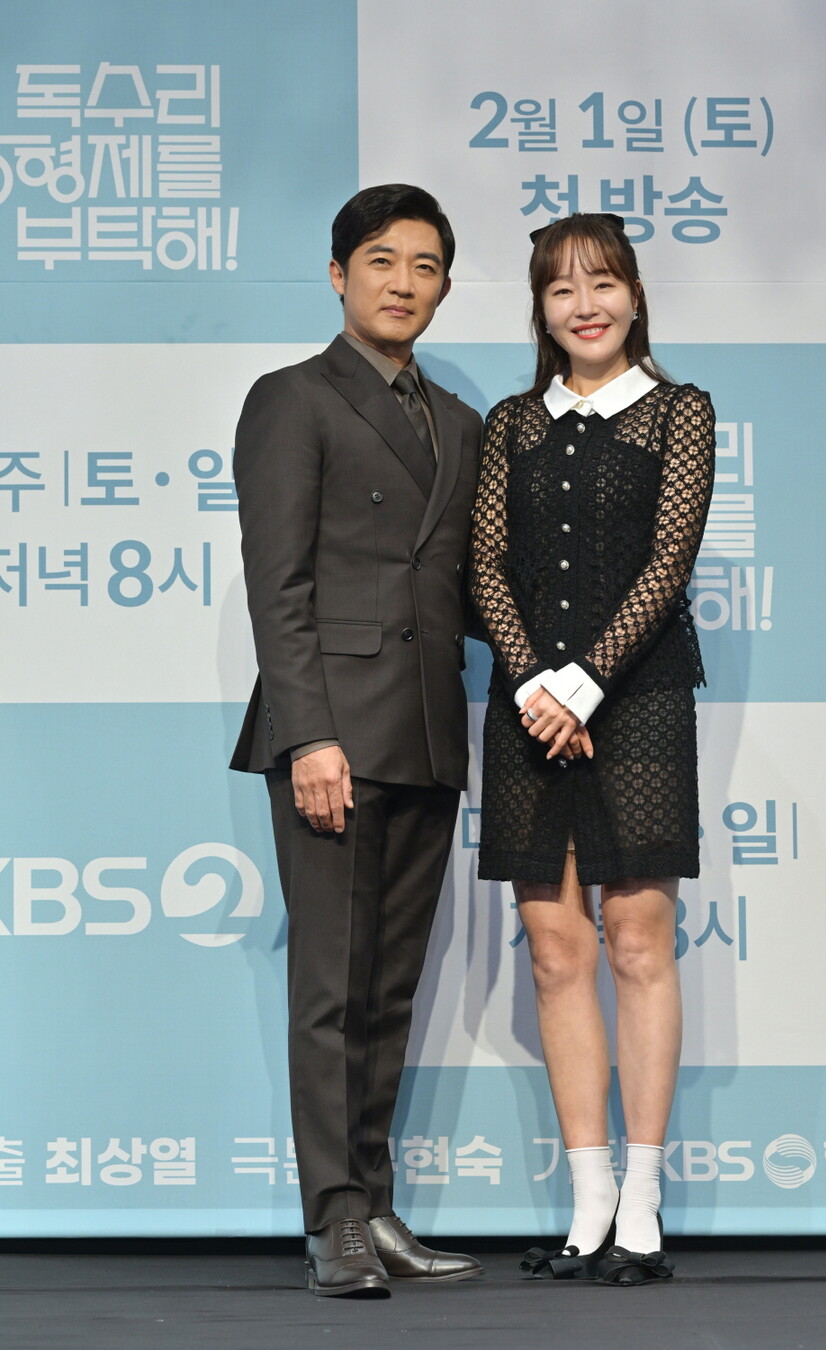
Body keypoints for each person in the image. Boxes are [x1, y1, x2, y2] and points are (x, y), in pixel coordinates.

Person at [230, 184, 484, 1297]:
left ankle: (374, 1209)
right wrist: (310, 738)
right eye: (381, 260)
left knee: (388, 993)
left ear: (444, 286)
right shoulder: (292, 399)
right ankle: (331, 1216)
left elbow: (467, 589)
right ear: (339, 275)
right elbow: (278, 587)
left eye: (425, 265)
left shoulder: (462, 424)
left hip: (428, 733)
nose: (402, 283)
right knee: (331, 991)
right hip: (332, 735)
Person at [470, 213, 715, 1286]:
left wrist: (583, 683)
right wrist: (535, 681)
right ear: (540, 308)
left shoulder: (679, 411)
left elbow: (670, 558)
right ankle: (588, 1205)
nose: (585, 305)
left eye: (604, 282)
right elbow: (484, 563)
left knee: (636, 943)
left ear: (635, 295)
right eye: (562, 288)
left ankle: (644, 1207)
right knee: (555, 952)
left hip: (639, 699)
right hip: (527, 711)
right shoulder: (511, 423)